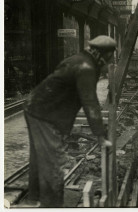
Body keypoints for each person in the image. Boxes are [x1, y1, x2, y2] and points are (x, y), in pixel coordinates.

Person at [23, 35, 115, 207]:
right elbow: (90, 102)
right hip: (46, 114)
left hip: (34, 107)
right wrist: (100, 135)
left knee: (39, 157)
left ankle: (33, 199)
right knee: (52, 162)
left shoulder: (77, 59)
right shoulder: (86, 67)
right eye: (110, 57)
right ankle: (52, 206)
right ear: (105, 55)